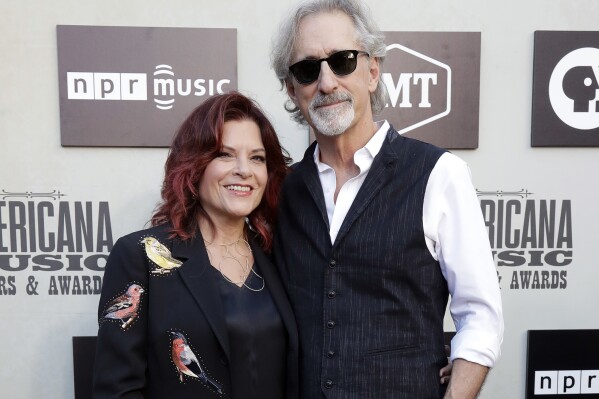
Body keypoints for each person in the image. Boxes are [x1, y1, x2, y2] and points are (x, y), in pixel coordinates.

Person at [270, 0, 504, 398]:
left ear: (373, 70)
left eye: (343, 61)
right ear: (293, 89)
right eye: (308, 69)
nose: (327, 83)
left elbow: (480, 316)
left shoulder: (438, 174)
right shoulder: (281, 189)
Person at [92, 92, 298, 399]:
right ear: (195, 165)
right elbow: (116, 390)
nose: (244, 169)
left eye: (257, 158)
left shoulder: (280, 255)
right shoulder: (142, 256)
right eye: (225, 154)